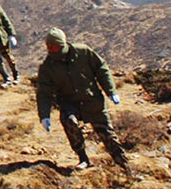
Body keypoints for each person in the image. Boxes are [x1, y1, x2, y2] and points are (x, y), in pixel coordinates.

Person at [37, 27, 131, 172]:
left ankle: (124, 164)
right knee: (70, 123)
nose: (51, 50)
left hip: (91, 100)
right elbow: (44, 92)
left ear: (63, 44)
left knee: (107, 133)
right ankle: (83, 158)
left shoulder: (83, 52)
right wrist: (44, 115)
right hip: (69, 103)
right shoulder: (47, 67)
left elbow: (101, 68)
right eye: (49, 47)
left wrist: (110, 91)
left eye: (54, 46)